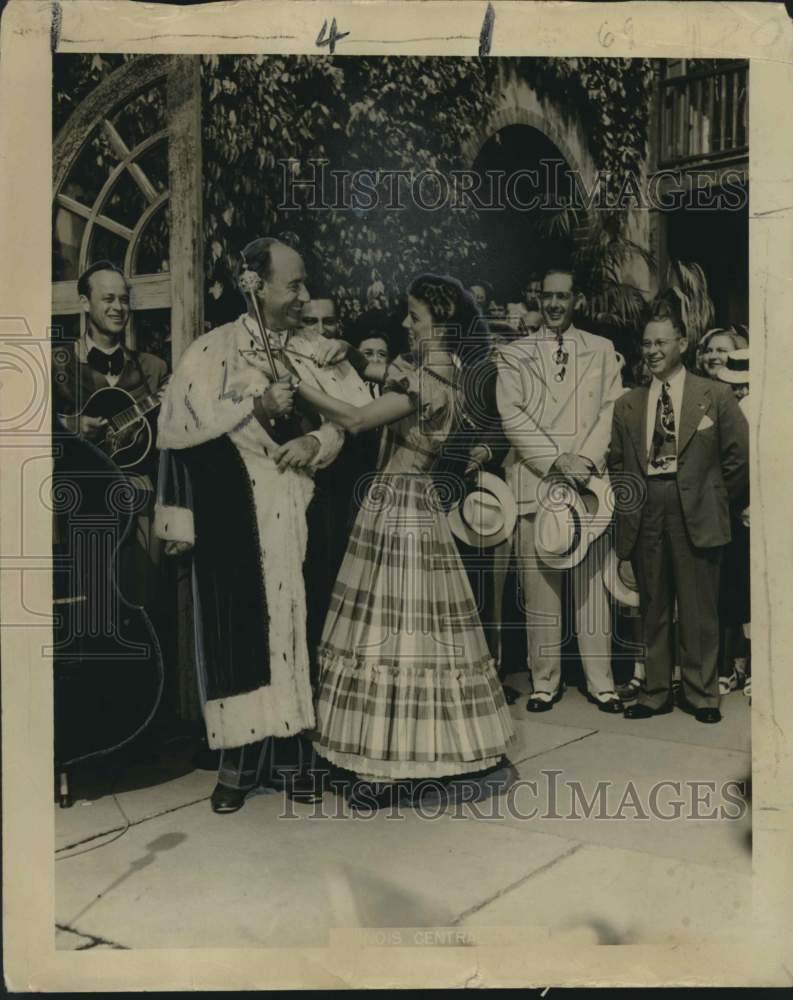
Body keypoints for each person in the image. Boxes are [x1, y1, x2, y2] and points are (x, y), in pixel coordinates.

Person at [293, 274, 516, 810]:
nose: (403, 324)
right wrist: (341, 350)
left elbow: (354, 417)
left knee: (394, 634)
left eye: (413, 317)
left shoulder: (429, 382)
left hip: (402, 511)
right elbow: (375, 369)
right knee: (405, 630)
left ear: (436, 324)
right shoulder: (442, 372)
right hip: (406, 506)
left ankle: (391, 763)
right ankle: (401, 751)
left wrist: (288, 376)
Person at [155, 237, 345, 813]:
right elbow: (179, 436)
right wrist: (254, 411)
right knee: (239, 633)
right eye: (294, 284)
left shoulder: (317, 351)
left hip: (304, 512)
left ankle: (295, 757)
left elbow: (348, 421)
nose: (304, 296)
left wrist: (317, 439)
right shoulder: (212, 352)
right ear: (254, 284)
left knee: (303, 630)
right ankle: (238, 763)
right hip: (237, 514)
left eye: (304, 283)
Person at [608, 293, 749, 724]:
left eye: (661, 343)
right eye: (647, 344)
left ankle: (701, 693)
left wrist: (713, 496)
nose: (652, 351)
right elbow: (618, 464)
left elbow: (738, 457)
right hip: (648, 507)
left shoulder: (716, 395)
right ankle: (654, 693)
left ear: (682, 343)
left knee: (699, 608)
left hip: (699, 509)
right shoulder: (627, 404)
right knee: (652, 606)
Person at [496, 266, 624, 714]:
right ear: (538, 298)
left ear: (577, 300)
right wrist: (554, 461)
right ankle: (544, 681)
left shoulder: (603, 350)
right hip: (537, 479)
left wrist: (584, 461)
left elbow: (611, 408)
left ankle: (601, 681)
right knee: (541, 588)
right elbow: (512, 415)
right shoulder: (514, 355)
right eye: (547, 296)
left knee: (591, 589)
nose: (553, 305)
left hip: (587, 483)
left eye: (563, 297)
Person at [52, 260, 168, 609]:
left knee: (142, 604)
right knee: (90, 609)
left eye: (123, 299)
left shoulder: (153, 369)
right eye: (107, 299)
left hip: (139, 503)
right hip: (79, 504)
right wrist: (70, 427)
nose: (118, 308)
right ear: (85, 303)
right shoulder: (55, 363)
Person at [716, 348, 751, 696]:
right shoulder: (725, 414)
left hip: (762, 514)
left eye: (746, 385)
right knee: (732, 593)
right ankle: (730, 665)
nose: (740, 392)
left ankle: (753, 666)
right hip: (731, 513)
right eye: (734, 385)